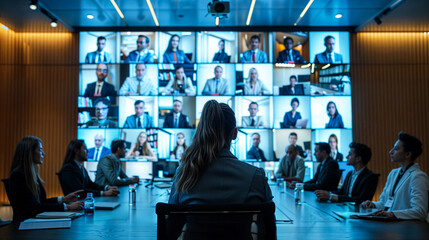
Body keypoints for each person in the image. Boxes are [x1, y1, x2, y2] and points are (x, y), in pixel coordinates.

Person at [169, 100, 273, 205]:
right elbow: (268, 220)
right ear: (234, 133)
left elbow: (171, 219)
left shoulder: (183, 174)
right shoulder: (257, 177)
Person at [7, 136, 83, 223]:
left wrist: (63, 199)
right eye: (40, 150)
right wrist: (67, 207)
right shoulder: (18, 175)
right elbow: (35, 207)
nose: (43, 154)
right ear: (29, 153)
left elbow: (42, 201)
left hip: (35, 221)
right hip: (24, 224)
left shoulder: (32, 174)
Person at [361, 132, 429, 221]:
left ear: (408, 154)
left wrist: (393, 214)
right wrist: (373, 205)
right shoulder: (393, 173)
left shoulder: (418, 176)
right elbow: (384, 202)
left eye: (396, 149)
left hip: (408, 228)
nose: (390, 151)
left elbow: (420, 211)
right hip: (391, 225)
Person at [315, 142, 379, 205]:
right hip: (345, 209)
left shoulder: (370, 177)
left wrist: (330, 196)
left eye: (350, 154)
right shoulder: (350, 174)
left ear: (358, 159)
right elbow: (342, 192)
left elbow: (361, 200)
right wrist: (326, 194)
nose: (346, 157)